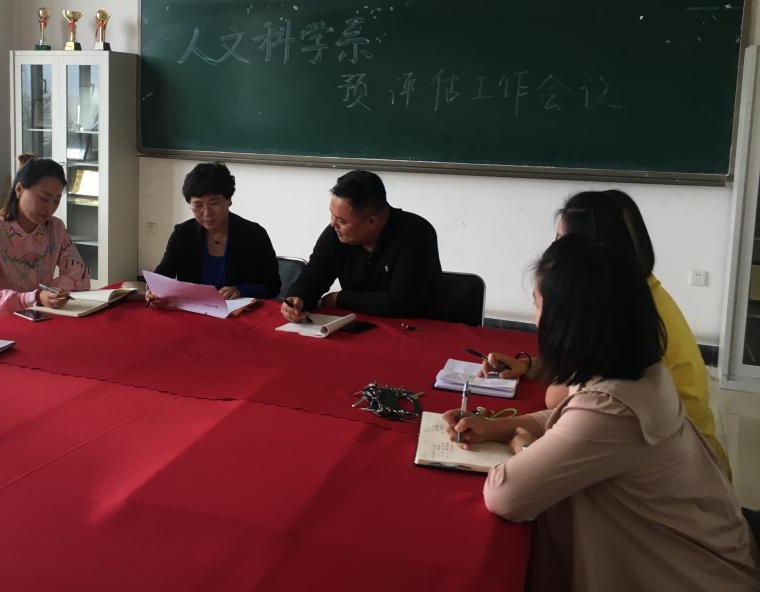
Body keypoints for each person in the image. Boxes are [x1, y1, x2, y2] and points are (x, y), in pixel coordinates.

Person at [444, 235, 758, 590]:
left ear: (569, 320)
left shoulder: (615, 407)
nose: (536, 321)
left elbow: (506, 495)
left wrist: (524, 446)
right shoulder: (639, 372)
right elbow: (572, 418)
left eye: (538, 305)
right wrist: (497, 426)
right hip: (712, 553)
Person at [481, 189, 731, 479]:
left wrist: (522, 445)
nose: (555, 252)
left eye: (563, 242)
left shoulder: (627, 313)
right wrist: (530, 366)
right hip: (686, 456)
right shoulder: (636, 292)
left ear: (594, 251)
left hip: (686, 469)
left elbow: (561, 397)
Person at [0, 155, 91, 331]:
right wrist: (35, 297)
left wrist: (50, 294)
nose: (50, 208)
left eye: (56, 201)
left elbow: (79, 276)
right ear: (19, 190)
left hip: (37, 311)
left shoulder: (55, 228)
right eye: (44, 198)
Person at [281, 170, 441, 321]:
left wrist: (340, 298)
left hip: (417, 328)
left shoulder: (416, 234)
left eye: (341, 221)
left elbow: (401, 303)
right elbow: (313, 277)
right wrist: (298, 298)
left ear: (371, 222)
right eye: (332, 215)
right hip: (356, 325)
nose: (332, 224)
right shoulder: (335, 234)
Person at [148, 161, 280, 304]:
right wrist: (154, 292)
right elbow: (162, 276)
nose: (207, 212)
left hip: (240, 313)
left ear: (229, 200)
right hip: (193, 311)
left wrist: (240, 290)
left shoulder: (254, 235)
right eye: (198, 205)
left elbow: (273, 286)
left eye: (214, 203)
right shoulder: (183, 234)